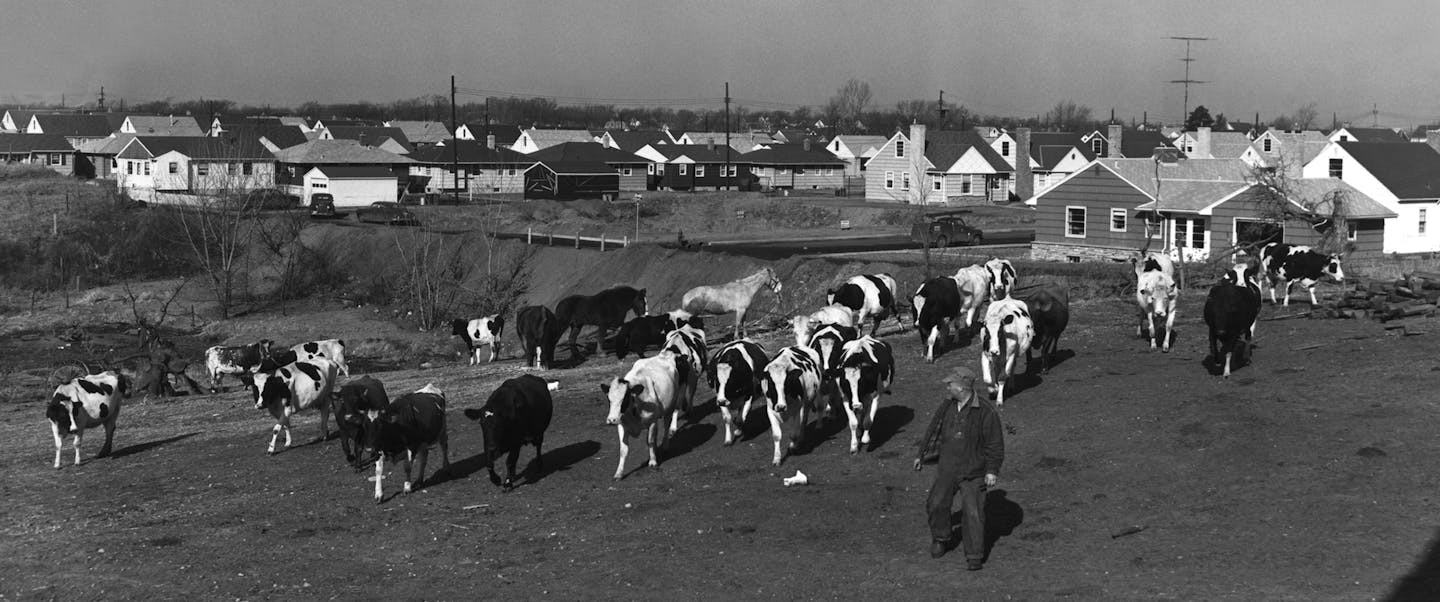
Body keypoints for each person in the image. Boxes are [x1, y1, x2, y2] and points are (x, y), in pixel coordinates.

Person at [914, 366, 1005, 570]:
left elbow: (995, 444)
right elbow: (934, 429)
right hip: (947, 467)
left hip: (973, 470)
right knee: (936, 503)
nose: (948, 385)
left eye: (951, 383)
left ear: (962, 387)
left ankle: (974, 555)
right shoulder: (947, 406)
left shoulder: (985, 411)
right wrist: (921, 455)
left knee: (973, 513)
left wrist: (992, 470)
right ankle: (941, 538)